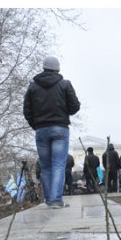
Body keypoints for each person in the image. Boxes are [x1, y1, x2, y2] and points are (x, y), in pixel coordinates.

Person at [23, 56, 80, 208]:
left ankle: (49, 200)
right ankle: (56, 200)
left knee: (46, 166)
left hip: (41, 129)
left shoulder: (33, 86)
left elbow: (27, 110)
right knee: (58, 165)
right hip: (60, 128)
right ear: (57, 68)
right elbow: (75, 107)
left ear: (44, 67)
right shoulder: (64, 84)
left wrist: (35, 124)